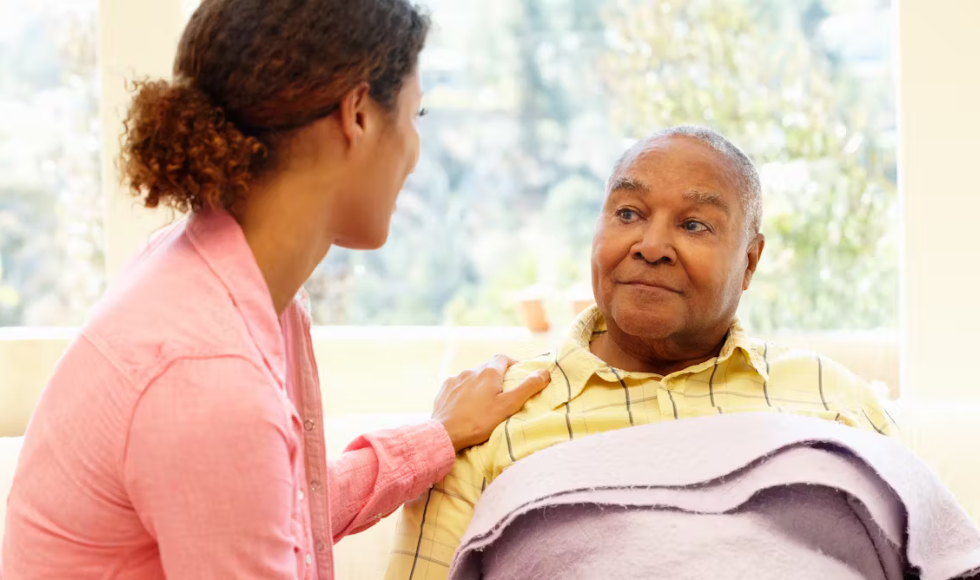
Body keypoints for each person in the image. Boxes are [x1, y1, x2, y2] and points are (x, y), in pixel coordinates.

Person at [0, 1, 552, 578]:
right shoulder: (209, 374)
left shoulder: (224, 277)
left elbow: (280, 512)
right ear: (358, 115)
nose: (415, 155)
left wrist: (439, 437)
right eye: (416, 116)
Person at [385, 126, 898, 580]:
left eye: (694, 225)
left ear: (750, 261)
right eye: (628, 213)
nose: (651, 245)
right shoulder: (489, 420)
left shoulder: (834, 399)